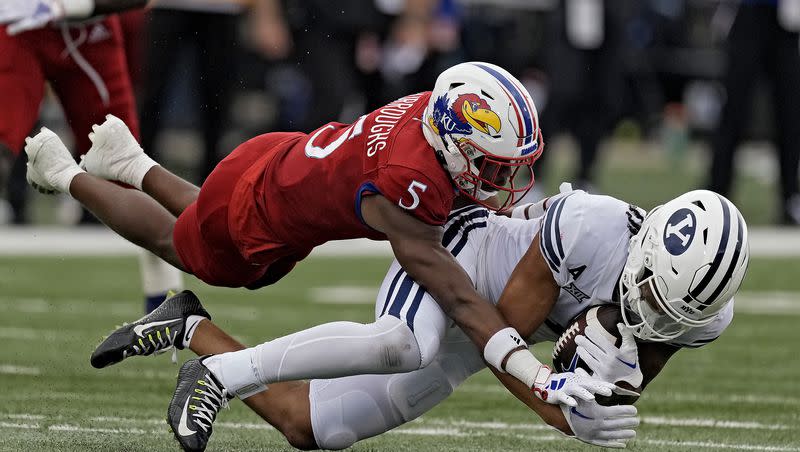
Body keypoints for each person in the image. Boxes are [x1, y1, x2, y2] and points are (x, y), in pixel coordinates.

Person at [26, 62, 620, 445]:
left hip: (281, 167)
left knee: (200, 225)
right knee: (182, 249)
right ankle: (64, 174)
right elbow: (461, 298)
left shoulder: (433, 127)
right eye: (492, 165)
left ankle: (131, 163)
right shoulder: (406, 183)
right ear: (450, 141)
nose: (503, 180)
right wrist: (535, 373)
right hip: (263, 206)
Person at [89, 186, 749, 451]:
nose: (651, 315)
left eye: (671, 313)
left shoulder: (699, 318)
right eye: (653, 295)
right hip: (468, 270)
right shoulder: (591, 229)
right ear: (645, 253)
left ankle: (187, 328)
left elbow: (608, 391)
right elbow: (498, 331)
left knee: (312, 429)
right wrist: (559, 388)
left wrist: (591, 409)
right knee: (401, 342)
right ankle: (223, 375)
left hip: (512, 327)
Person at [0, 0, 183, 313]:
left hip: (88, 30)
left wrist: (71, 6)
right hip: (18, 24)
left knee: (128, 169)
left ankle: (166, 304)